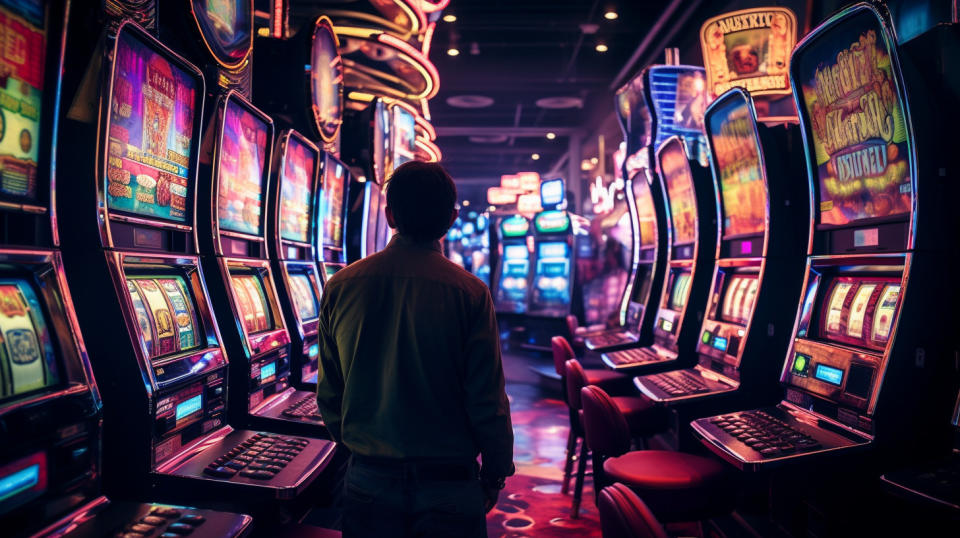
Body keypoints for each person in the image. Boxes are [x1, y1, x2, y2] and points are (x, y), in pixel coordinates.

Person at [316, 161, 515, 537]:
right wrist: (495, 471)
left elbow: (329, 393)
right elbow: (487, 399)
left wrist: (361, 445)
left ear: (389, 215)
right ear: (453, 218)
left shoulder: (341, 285)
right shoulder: (471, 292)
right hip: (449, 481)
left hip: (369, 477)